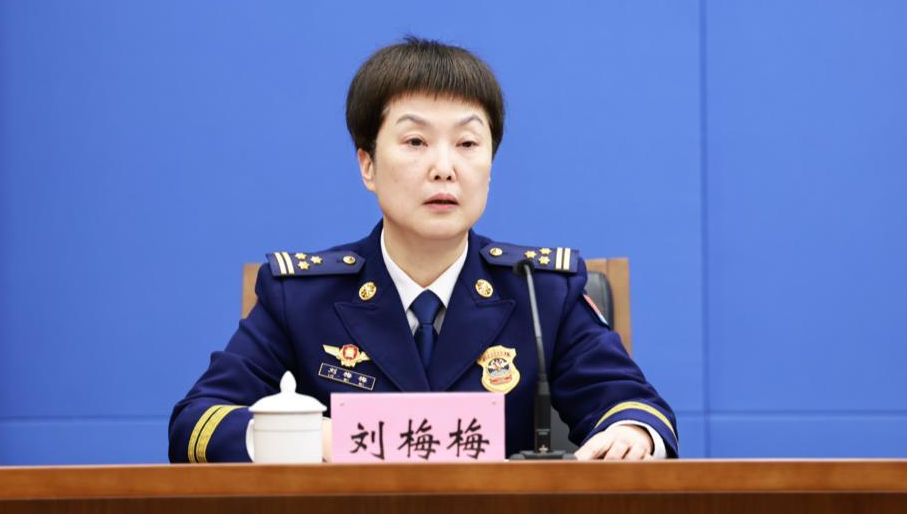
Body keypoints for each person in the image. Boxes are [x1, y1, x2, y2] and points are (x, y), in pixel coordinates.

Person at [169, 37, 677, 462]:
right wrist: (315, 438)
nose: (444, 168)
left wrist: (631, 435)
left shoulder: (540, 293)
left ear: (491, 166)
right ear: (367, 165)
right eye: (415, 142)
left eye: (468, 144)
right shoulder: (301, 298)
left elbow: (635, 409)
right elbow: (199, 422)